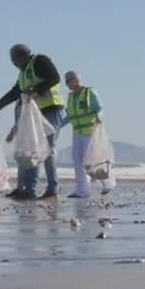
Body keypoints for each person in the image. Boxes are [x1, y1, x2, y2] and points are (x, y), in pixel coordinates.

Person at [0, 44, 66, 200]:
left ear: (22, 56)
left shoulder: (40, 61)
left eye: (14, 60)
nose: (14, 64)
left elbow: (54, 78)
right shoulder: (23, 73)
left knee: (48, 151)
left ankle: (53, 188)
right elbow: (15, 92)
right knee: (30, 151)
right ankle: (27, 189)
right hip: (35, 114)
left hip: (51, 110)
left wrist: (36, 89)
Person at [63, 70, 104, 199]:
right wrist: (57, 126)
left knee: (92, 162)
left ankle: (107, 183)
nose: (67, 84)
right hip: (77, 133)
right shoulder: (71, 97)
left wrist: (98, 116)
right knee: (77, 160)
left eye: (68, 81)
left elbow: (100, 107)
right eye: (66, 82)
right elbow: (69, 116)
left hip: (89, 132)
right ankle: (82, 190)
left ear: (75, 80)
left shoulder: (89, 92)